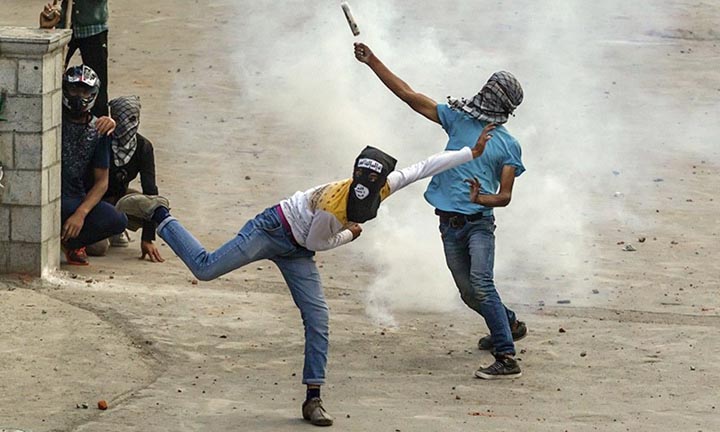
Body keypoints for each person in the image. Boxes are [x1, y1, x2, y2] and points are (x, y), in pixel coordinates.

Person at [116, 129, 494, 426]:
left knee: (319, 318)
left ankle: (313, 397)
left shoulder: (381, 184)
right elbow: (321, 241)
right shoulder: (333, 209)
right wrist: (351, 234)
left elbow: (424, 166)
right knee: (206, 268)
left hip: (298, 249)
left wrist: (470, 153)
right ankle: (159, 215)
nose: (360, 215)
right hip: (274, 229)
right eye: (357, 213)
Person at [354, 42, 528, 379]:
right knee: (468, 293)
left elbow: (505, 196)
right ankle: (508, 323)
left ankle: (506, 356)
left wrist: (481, 200)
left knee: (481, 283)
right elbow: (408, 95)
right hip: (448, 226)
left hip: (479, 225)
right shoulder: (458, 120)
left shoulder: (508, 145)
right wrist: (372, 60)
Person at [60, 64, 127, 265]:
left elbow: (102, 182)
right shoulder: (51, 118)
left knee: (117, 219)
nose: (79, 96)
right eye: (74, 89)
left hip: (74, 197)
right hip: (49, 194)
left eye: (85, 91)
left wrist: (80, 214)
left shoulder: (98, 129)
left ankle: (68, 243)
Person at [85, 96, 165, 262]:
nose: (125, 124)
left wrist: (147, 239)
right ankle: (104, 226)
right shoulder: (101, 140)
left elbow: (151, 191)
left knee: (155, 211)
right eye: (118, 118)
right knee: (97, 248)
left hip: (119, 197)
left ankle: (116, 227)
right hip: (93, 200)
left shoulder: (143, 147)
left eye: (131, 119)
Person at [40, 0, 110, 117]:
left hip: (93, 28)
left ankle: (99, 127)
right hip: (65, 25)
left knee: (98, 84)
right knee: (53, 76)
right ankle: (54, 120)